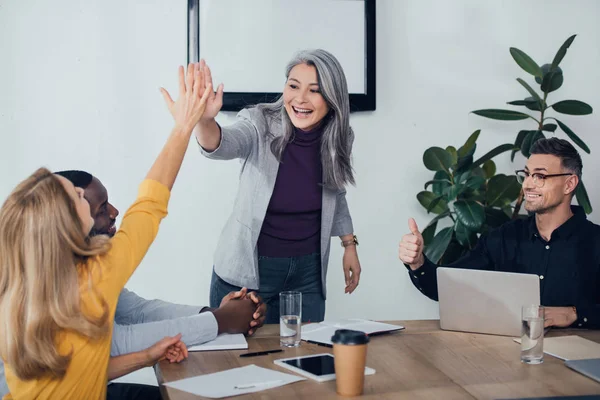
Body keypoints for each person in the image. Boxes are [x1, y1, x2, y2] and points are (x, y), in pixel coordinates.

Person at [0, 63, 220, 399]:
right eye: (76, 197)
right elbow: (149, 205)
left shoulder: (14, 293)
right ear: (63, 226)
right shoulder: (93, 280)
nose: (86, 202)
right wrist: (183, 126)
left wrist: (147, 356)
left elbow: (77, 369)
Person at [0, 170, 267, 400]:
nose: (115, 212)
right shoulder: (48, 289)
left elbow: (138, 310)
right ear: (66, 226)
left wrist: (212, 312)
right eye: (100, 208)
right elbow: (119, 342)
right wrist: (222, 321)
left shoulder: (77, 269)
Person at [188, 50, 362, 323]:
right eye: (293, 86)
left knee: (303, 356)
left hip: (308, 273)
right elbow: (222, 144)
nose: (300, 98)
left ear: (332, 98)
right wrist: (204, 120)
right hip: (250, 271)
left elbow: (335, 190)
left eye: (314, 91)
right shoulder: (258, 122)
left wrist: (349, 244)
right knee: (237, 359)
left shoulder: (338, 135)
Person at [399, 137, 600, 329]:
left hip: (577, 357)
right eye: (527, 174)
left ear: (569, 184)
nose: (527, 184)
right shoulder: (503, 237)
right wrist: (417, 263)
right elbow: (447, 287)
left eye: (540, 176)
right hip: (507, 356)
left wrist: (574, 313)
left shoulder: (595, 242)